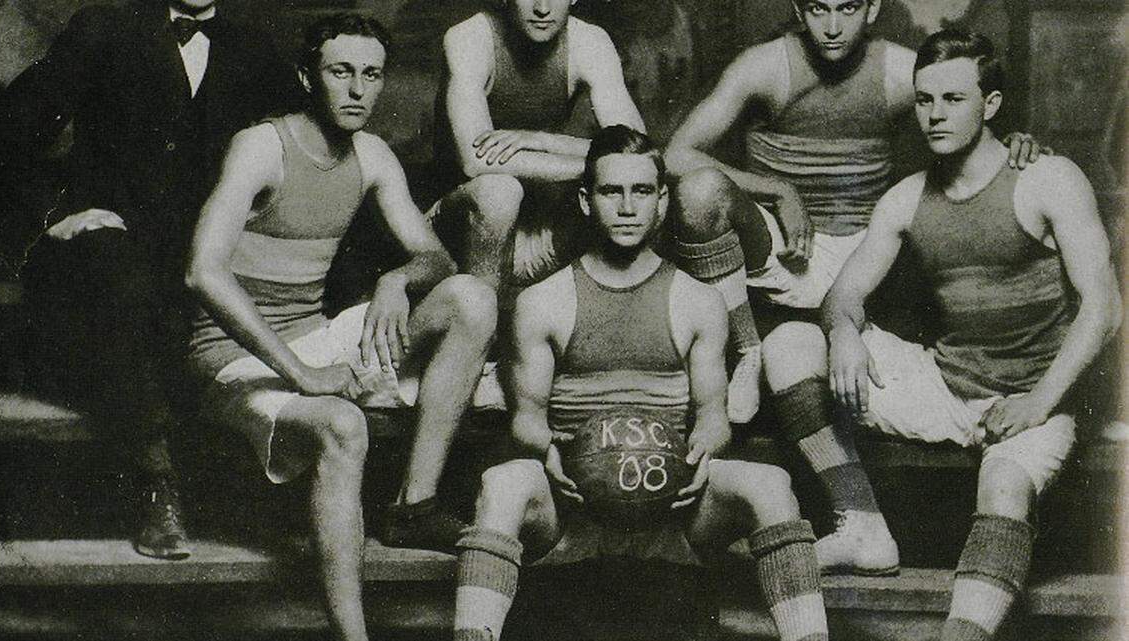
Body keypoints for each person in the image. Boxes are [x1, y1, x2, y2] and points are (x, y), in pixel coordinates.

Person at [664, 0, 1043, 570]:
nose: (833, 26)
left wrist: (1019, 143)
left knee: (938, 221)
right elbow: (677, 153)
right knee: (697, 194)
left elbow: (968, 110)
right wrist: (777, 189)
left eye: (848, 7)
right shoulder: (765, 66)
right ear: (799, 8)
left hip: (868, 246)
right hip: (784, 246)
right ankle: (747, 350)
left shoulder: (902, 70)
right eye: (818, 8)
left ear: (873, 8)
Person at [185, 15, 496, 641]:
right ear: (309, 77)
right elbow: (203, 273)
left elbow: (437, 259)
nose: (358, 89)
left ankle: (414, 504)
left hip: (315, 334)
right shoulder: (261, 146)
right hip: (231, 357)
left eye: (371, 74)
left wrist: (395, 280)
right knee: (344, 424)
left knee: (472, 298)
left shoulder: (372, 155)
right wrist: (303, 373)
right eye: (341, 72)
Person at [451, 125, 827, 641]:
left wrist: (701, 455)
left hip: (674, 509)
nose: (627, 207)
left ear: (663, 201)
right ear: (586, 202)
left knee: (771, 484)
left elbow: (715, 419)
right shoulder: (543, 301)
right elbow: (527, 421)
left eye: (642, 191)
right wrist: (551, 453)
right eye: (611, 191)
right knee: (502, 485)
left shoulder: (699, 300)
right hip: (572, 507)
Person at [821, 30, 1120, 638]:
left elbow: (1106, 308)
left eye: (953, 98)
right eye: (924, 99)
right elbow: (841, 297)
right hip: (946, 385)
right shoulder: (905, 198)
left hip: (1035, 394)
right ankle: (861, 522)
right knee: (794, 348)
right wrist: (842, 332)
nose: (934, 114)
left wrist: (1038, 402)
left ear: (991, 104)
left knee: (1003, 485)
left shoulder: (1048, 179)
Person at [0, 0, 299, 559]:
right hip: (102, 255)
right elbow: (6, 133)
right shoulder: (103, 28)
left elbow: (302, 144)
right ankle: (155, 483)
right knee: (121, 280)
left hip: (196, 256)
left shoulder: (253, 49)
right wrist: (54, 216)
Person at [430, 0, 645, 300]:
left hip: (535, 232)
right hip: (457, 237)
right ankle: (480, 315)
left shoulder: (589, 40)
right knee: (498, 192)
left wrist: (544, 140)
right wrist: (597, 165)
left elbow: (638, 153)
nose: (543, 8)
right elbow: (475, 160)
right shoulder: (470, 36)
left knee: (643, 194)